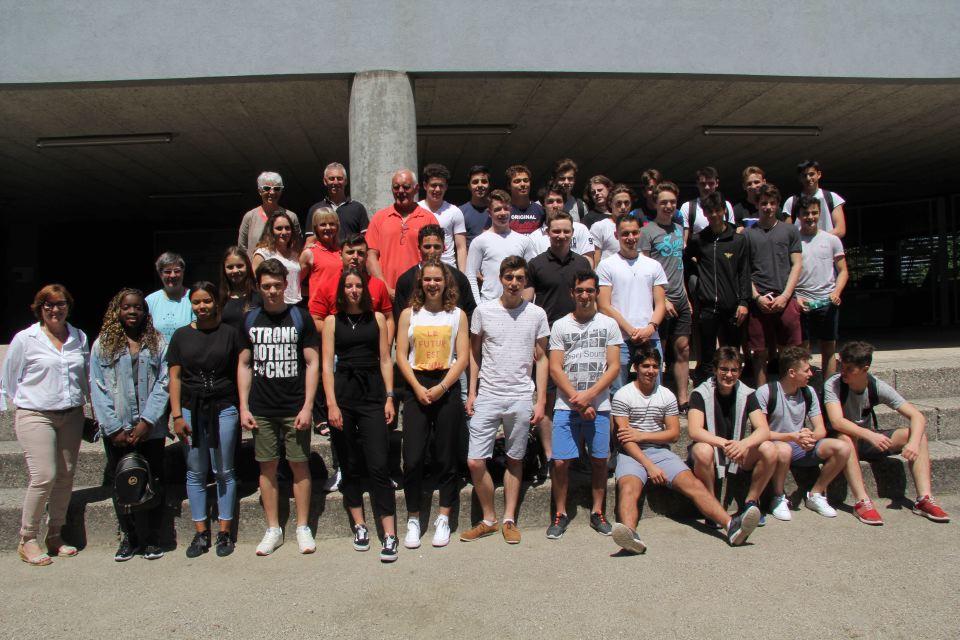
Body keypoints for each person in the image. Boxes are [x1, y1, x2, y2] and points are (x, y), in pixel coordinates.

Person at [610, 343, 761, 554]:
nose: (651, 371)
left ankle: (732, 527)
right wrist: (649, 466)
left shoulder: (666, 395)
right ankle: (631, 535)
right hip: (631, 453)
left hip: (661, 451)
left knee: (693, 484)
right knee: (628, 488)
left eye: (655, 366)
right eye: (645, 366)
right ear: (636, 368)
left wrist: (642, 435)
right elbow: (626, 439)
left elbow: (673, 434)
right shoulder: (623, 395)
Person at [462, 257, 550, 545]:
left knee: (515, 458)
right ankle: (489, 518)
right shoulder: (483, 312)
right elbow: (474, 355)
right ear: (500, 278)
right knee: (475, 461)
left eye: (520, 278)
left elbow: (542, 358)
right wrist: (472, 392)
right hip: (488, 393)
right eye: (509, 277)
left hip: (521, 396)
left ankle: (509, 518)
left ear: (526, 281)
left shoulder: (537, 314)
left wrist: (540, 401)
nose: (514, 283)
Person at [1, 285, 89, 566]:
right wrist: (18, 406)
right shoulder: (25, 339)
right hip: (36, 414)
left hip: (71, 414)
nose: (55, 310)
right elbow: (9, 379)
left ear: (68, 306)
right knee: (44, 475)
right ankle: (27, 538)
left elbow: (84, 376)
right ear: (40, 308)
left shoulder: (79, 337)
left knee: (66, 475)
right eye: (48, 305)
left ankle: (55, 534)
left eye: (60, 304)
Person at [238, 259, 320, 556]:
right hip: (262, 407)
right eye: (266, 286)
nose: (272, 291)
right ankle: (273, 528)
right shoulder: (249, 320)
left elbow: (312, 363)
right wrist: (244, 407)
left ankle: (302, 526)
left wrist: (309, 405)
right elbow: (244, 364)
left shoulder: (301, 317)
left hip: (294, 406)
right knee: (267, 467)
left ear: (286, 285)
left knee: (299, 465)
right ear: (258, 288)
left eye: (277, 285)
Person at [824, 341, 950, 525]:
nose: (843, 371)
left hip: (867, 440)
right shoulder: (833, 384)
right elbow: (837, 421)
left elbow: (917, 416)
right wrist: (870, 435)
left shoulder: (876, 386)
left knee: (917, 434)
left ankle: (924, 499)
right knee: (846, 436)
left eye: (849, 368)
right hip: (840, 442)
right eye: (841, 365)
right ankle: (862, 502)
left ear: (865, 368)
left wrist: (913, 443)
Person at [322, 268, 399, 562]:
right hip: (343, 397)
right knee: (350, 464)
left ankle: (389, 533)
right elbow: (327, 365)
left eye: (358, 286)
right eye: (349, 286)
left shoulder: (377, 318)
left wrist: (390, 398)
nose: (354, 290)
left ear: (365, 289)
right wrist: (331, 403)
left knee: (378, 464)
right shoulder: (332, 322)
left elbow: (385, 359)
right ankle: (360, 526)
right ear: (342, 290)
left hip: (372, 396)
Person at [90, 289, 170, 562]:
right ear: (118, 310)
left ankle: (152, 538)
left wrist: (148, 420)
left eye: (138, 307)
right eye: (127, 307)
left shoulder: (157, 342)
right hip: (118, 429)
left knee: (153, 480)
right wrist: (113, 427)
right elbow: (98, 388)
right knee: (121, 482)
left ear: (145, 311)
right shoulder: (103, 344)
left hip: (151, 428)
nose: (133, 312)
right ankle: (129, 537)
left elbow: (164, 382)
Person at [396, 260, 470, 549]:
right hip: (416, 385)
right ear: (420, 282)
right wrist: (417, 387)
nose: (432, 284)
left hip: (446, 385)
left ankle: (443, 517)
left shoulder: (457, 315)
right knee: (413, 458)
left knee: (446, 457)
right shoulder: (408, 315)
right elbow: (401, 355)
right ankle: (414, 517)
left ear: (446, 282)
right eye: (427, 279)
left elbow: (462, 356)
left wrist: (441, 388)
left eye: (437, 279)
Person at [168, 282, 242, 558]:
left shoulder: (230, 334)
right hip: (190, 407)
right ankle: (200, 533)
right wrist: (176, 415)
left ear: (216, 303)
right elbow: (174, 378)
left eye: (207, 301)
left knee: (224, 469)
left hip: (223, 406)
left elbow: (240, 371)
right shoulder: (180, 336)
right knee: (196, 470)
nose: (202, 307)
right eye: (197, 302)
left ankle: (224, 531)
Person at [546, 270, 621, 539]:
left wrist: (589, 396)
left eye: (590, 290)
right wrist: (579, 401)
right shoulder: (560, 325)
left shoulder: (608, 324)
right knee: (561, 462)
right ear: (572, 293)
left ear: (596, 292)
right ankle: (561, 512)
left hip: (599, 406)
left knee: (600, 461)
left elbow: (613, 367)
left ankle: (598, 511)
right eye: (580, 291)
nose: (585, 295)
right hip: (567, 406)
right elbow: (555, 368)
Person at [525, 209, 593, 475]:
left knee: (582, 397)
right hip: (549, 342)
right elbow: (527, 303)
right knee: (549, 398)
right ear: (548, 232)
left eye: (566, 231)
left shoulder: (583, 265)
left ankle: (581, 453)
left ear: (572, 233)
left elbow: (592, 302)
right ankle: (551, 455)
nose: (561, 236)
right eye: (556, 231)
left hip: (581, 339)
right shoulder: (536, 264)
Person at [752, 346, 851, 520]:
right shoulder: (765, 392)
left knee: (842, 447)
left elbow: (820, 428)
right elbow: (761, 433)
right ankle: (778, 497)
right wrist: (792, 437)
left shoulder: (809, 392)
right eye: (806, 371)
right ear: (791, 372)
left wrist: (809, 438)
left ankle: (816, 494)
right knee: (784, 449)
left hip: (800, 444)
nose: (811, 374)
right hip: (775, 446)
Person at [687, 347, 776, 525]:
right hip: (713, 449)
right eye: (724, 369)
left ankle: (750, 504)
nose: (729, 375)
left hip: (738, 450)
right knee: (703, 451)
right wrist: (725, 444)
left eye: (734, 370)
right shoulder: (700, 393)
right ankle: (712, 508)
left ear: (740, 372)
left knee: (770, 449)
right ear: (715, 369)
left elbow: (763, 429)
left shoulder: (748, 394)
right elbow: (694, 431)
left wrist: (743, 444)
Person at [596, 213, 667, 395]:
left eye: (634, 233)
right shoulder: (606, 265)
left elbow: (660, 304)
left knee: (654, 388)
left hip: (650, 337)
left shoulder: (653, 265)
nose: (630, 238)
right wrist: (629, 329)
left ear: (639, 234)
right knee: (616, 390)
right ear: (616, 235)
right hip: (619, 338)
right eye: (625, 234)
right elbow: (604, 305)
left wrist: (651, 328)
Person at [685, 191, 751, 384]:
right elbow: (687, 263)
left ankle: (732, 389)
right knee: (706, 356)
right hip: (707, 307)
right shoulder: (699, 239)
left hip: (732, 307)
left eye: (717, 210)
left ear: (723, 210)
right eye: (709, 211)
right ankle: (704, 392)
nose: (713, 215)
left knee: (731, 353)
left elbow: (744, 273)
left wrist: (744, 302)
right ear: (704, 213)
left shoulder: (737, 240)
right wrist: (696, 286)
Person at [744, 184, 803, 386]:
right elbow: (744, 271)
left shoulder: (790, 231)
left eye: (771, 203)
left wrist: (786, 296)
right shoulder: (748, 234)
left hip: (785, 299)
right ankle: (761, 395)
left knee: (790, 351)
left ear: (777, 205)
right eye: (763, 203)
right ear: (757, 205)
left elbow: (797, 265)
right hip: (758, 301)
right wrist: (756, 297)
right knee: (759, 352)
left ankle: (790, 391)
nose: (767, 207)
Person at [640, 182, 691, 410]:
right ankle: (656, 397)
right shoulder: (647, 232)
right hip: (660, 301)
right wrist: (664, 300)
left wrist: (686, 297)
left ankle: (682, 398)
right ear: (656, 204)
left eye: (672, 202)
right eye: (663, 202)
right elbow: (645, 271)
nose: (668, 206)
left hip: (681, 298)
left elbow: (680, 267)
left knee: (683, 349)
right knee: (658, 352)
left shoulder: (679, 230)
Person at [796, 195, 848, 379]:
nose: (810, 217)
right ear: (799, 215)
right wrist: (795, 296)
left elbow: (843, 271)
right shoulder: (793, 240)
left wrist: (836, 292)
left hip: (827, 301)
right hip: (802, 301)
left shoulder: (832, 240)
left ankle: (829, 392)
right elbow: (788, 272)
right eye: (805, 213)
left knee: (829, 348)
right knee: (802, 350)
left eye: (814, 213)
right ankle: (803, 391)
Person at [366, 168, 439, 297]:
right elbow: (371, 255)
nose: (400, 191)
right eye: (396, 187)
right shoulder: (379, 218)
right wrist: (385, 289)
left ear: (416, 189)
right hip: (385, 293)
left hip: (420, 293)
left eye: (406, 187)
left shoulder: (429, 218)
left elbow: (434, 256)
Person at [310, 234, 394, 341]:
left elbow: (389, 319)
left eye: (360, 253)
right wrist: (345, 331)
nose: (355, 257)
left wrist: (387, 345)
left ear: (366, 256)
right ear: (340, 255)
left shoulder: (378, 285)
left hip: (372, 351)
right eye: (350, 252)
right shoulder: (326, 286)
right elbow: (315, 320)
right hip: (339, 351)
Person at [394, 224, 476, 322]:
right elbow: (399, 319)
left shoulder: (458, 278)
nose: (432, 251)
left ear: (444, 248)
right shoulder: (405, 280)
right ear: (419, 248)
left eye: (437, 247)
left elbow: (470, 313)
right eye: (427, 247)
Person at [465, 189, 536, 302]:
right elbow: (471, 276)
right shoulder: (479, 241)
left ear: (511, 210)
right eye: (497, 209)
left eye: (506, 209)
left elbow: (531, 276)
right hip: (489, 303)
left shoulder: (524, 241)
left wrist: (525, 304)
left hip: (517, 306)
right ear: (489, 213)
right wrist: (478, 305)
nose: (503, 213)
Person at [238, 171, 303, 262]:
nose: (272, 192)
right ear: (259, 191)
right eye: (267, 188)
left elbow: (297, 247)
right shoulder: (250, 217)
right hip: (256, 272)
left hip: (284, 271)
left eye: (277, 188)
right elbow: (242, 249)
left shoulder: (291, 217)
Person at [418, 163, 467, 270]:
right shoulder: (416, 209)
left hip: (448, 269)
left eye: (441, 186)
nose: (437, 189)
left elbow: (461, 247)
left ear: (446, 187)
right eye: (433, 185)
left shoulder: (454, 211)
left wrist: (463, 275)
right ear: (425, 186)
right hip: (422, 269)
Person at [529, 183, 595, 262]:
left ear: (564, 203)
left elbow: (588, 260)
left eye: (559, 201)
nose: (555, 205)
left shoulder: (581, 229)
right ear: (543, 205)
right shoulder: (534, 238)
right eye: (550, 202)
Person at [252, 210, 305, 305]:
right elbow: (255, 284)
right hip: (273, 306)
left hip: (297, 305)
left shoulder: (295, 254)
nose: (284, 232)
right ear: (271, 230)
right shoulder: (262, 253)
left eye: (287, 228)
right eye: (279, 228)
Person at [306, 162, 369, 242]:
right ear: (325, 181)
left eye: (339, 178)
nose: (335, 182)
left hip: (350, 254)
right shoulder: (315, 209)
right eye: (331, 179)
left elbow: (366, 239)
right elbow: (309, 241)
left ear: (345, 181)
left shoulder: (358, 208)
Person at [783, 160, 846, 238]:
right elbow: (787, 233)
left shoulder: (832, 197)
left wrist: (817, 240)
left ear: (819, 174)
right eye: (804, 175)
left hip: (826, 247)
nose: (808, 178)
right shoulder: (791, 201)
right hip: (801, 248)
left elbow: (840, 230)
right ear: (800, 178)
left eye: (811, 174)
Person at [300, 207, 342, 316]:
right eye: (323, 224)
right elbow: (294, 284)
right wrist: (313, 293)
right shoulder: (310, 253)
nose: (328, 228)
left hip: (342, 309)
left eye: (332, 224)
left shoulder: (343, 251)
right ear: (316, 228)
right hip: (319, 311)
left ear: (337, 226)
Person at [145, 252, 194, 342]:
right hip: (158, 355)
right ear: (160, 274)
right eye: (167, 272)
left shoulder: (193, 297)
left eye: (177, 271)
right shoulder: (150, 301)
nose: (172, 275)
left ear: (183, 271)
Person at [678, 166, 735, 240]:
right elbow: (684, 240)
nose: (707, 187)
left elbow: (732, 233)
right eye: (703, 184)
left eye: (711, 183)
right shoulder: (687, 207)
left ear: (717, 183)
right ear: (697, 184)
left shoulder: (726, 205)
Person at [219, 246, 261, 337]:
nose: (235, 270)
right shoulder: (219, 299)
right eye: (230, 267)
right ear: (224, 269)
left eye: (240, 266)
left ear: (248, 266)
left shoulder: (259, 296)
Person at [591, 183, 635, 265]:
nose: (623, 207)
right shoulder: (599, 227)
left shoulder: (635, 227)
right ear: (610, 204)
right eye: (618, 203)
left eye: (626, 203)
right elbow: (595, 262)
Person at [506, 164, 545, 235]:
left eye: (526, 180)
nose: (523, 184)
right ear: (509, 186)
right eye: (517, 181)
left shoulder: (541, 211)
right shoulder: (503, 210)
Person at [460, 164, 492, 245]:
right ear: (469, 186)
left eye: (484, 181)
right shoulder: (460, 212)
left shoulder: (499, 210)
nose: (480, 185)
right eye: (475, 182)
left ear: (489, 185)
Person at [552, 157, 587, 222]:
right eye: (562, 179)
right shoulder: (542, 205)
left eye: (570, 178)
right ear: (555, 180)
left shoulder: (581, 206)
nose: (566, 182)